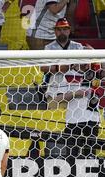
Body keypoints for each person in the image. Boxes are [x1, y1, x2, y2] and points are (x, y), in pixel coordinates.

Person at [42, 18, 100, 159]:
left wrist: (92, 56)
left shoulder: (78, 46)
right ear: (55, 31)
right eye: (59, 29)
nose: (62, 31)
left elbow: (86, 66)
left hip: (75, 85)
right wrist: (64, 67)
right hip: (57, 86)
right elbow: (43, 68)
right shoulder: (49, 48)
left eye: (65, 28)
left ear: (69, 30)